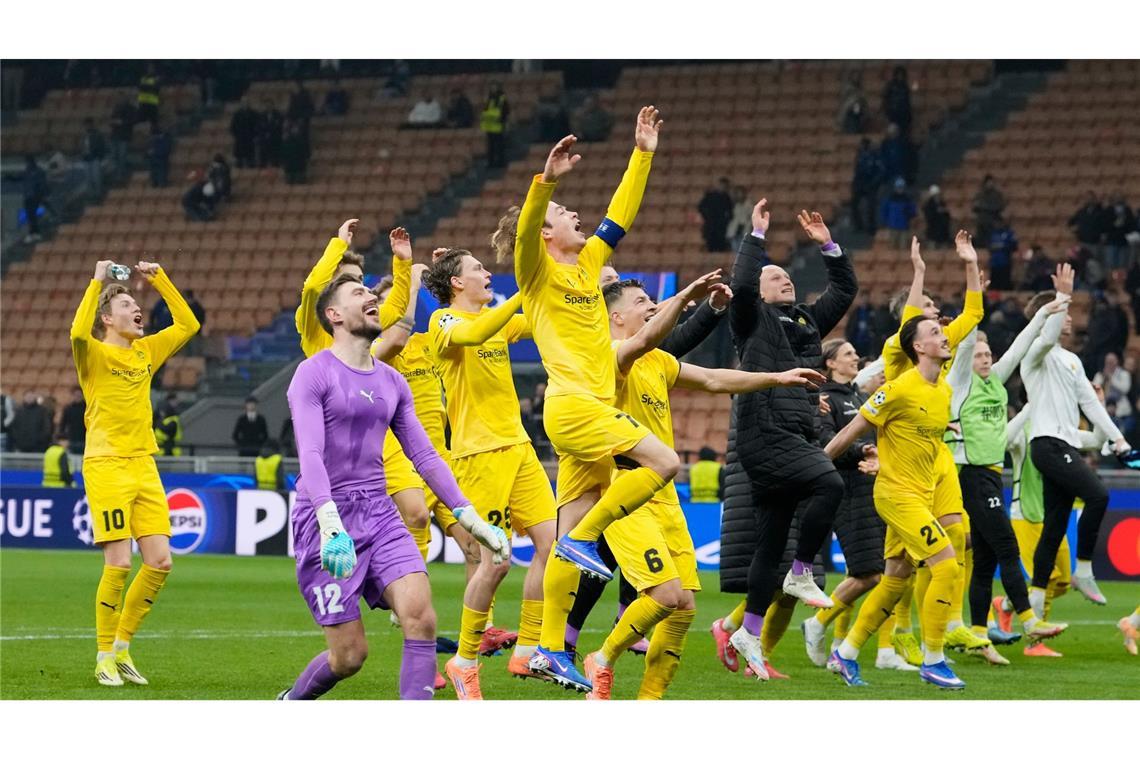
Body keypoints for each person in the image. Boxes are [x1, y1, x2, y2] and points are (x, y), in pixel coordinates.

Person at [490, 108, 672, 691]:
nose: (578, 219)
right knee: (663, 462)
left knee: (566, 538)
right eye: (567, 216)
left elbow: (621, 214)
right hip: (574, 407)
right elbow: (525, 232)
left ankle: (546, 648)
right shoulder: (536, 271)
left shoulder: (589, 263)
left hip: (587, 416)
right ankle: (587, 536)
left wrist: (642, 153)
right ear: (547, 231)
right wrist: (547, 183)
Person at [583, 278, 823, 698]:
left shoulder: (657, 360)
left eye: (654, 299)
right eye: (642, 301)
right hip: (624, 487)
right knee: (663, 596)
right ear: (616, 316)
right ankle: (601, 658)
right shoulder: (610, 355)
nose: (652, 306)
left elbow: (713, 378)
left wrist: (778, 378)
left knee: (684, 607)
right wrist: (689, 298)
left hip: (663, 494)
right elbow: (643, 342)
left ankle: (649, 700)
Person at [277, 273, 507, 701]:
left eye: (370, 293)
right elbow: (309, 454)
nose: (370, 298)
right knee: (349, 656)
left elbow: (425, 456)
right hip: (325, 517)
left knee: (421, 618)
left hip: (380, 513)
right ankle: (292, 703)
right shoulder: (312, 373)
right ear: (334, 315)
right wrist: (329, 522)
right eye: (358, 294)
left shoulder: (391, 381)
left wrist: (469, 516)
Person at [720, 200, 857, 680]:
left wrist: (828, 246)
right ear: (758, 289)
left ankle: (748, 632)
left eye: (788, 276)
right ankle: (802, 572)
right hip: (764, 433)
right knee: (830, 484)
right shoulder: (750, 320)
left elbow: (845, 289)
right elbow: (739, 286)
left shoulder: (804, 322)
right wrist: (756, 238)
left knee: (770, 540)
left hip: (791, 431)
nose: (786, 281)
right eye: (775, 277)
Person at [422, 248, 556, 697]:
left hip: (519, 449)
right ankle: (464, 660)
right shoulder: (443, 322)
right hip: (479, 455)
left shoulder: (493, 320)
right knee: (495, 562)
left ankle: (528, 648)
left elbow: (539, 319)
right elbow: (479, 329)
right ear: (457, 284)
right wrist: (521, 296)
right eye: (478, 268)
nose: (487, 272)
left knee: (552, 546)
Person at [72, 258, 200, 686]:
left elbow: (188, 326)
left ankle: (124, 648)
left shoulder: (146, 352)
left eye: (135, 302)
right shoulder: (93, 353)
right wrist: (98, 280)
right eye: (127, 303)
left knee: (160, 562)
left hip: (144, 463)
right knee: (120, 562)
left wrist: (159, 278)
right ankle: (103, 655)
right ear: (107, 318)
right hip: (105, 464)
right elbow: (76, 332)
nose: (136, 308)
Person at [823, 314, 966, 689]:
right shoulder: (898, 388)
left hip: (921, 495)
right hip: (896, 496)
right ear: (918, 347)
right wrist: (816, 467)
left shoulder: (943, 392)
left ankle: (846, 653)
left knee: (895, 580)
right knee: (947, 567)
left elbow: (918, 438)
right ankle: (934, 659)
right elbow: (850, 432)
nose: (944, 336)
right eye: (935, 332)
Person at [945, 280, 1074, 665]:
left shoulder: (996, 383)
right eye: (980, 354)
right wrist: (973, 294)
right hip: (968, 473)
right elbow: (966, 345)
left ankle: (981, 638)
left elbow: (1019, 347)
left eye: (988, 354)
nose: (985, 358)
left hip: (989, 474)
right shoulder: (961, 383)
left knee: (983, 561)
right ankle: (1029, 618)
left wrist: (1041, 314)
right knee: (1007, 546)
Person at [875, 234, 987, 658]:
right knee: (901, 562)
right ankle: (892, 633)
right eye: (930, 317)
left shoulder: (940, 345)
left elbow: (974, 312)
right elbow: (909, 319)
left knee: (956, 534)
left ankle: (949, 625)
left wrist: (970, 263)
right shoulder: (897, 351)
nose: (939, 320)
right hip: (902, 461)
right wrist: (919, 272)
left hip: (937, 454)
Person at [801, 339, 916, 672]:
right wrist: (861, 454)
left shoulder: (860, 397)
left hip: (874, 487)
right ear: (831, 364)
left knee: (879, 570)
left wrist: (878, 457)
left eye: (855, 353)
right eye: (848, 354)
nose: (855, 358)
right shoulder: (826, 402)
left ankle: (849, 641)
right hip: (847, 489)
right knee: (871, 574)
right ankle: (819, 623)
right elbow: (825, 442)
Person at [1019, 280, 1131, 613]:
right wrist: (1063, 296)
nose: (1070, 318)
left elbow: (1091, 403)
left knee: (1055, 525)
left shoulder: (1071, 360)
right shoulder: (1034, 355)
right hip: (1047, 444)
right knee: (1098, 495)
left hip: (1066, 444)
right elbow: (1048, 335)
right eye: (1063, 312)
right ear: (1048, 315)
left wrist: (1117, 437)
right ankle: (1083, 570)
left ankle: (1036, 602)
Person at [1000, 401, 1106, 656]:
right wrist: (1031, 407)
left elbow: (1095, 440)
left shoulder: (1061, 432)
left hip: (1051, 519)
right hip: (1024, 514)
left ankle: (1006, 604)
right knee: (1048, 577)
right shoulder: (1025, 430)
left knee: (1063, 583)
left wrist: (1099, 406)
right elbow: (1003, 440)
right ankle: (1034, 643)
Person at [1093, 352, 1133, 432]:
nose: (1109, 364)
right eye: (1108, 362)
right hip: (1103, 411)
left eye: (1112, 361)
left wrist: (1112, 380)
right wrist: (1104, 379)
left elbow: (1125, 389)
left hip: (1121, 413)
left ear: (1117, 362)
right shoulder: (1099, 375)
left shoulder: (1124, 374)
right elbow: (1094, 390)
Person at [850, 138, 882, 235]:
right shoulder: (859, 156)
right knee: (854, 204)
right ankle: (858, 226)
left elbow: (879, 171)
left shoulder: (874, 156)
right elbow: (857, 170)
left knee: (871, 206)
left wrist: (873, 183)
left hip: (870, 184)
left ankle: (871, 227)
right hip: (860, 183)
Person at [698, 177, 734, 252]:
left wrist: (726, 220)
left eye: (725, 186)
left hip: (722, 226)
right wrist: (706, 216)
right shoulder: (710, 195)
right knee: (710, 246)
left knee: (721, 247)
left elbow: (730, 211)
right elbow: (701, 206)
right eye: (722, 185)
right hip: (710, 225)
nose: (723, 188)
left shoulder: (727, 198)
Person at [879, 177, 916, 249]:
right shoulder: (889, 199)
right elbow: (884, 211)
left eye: (901, 187)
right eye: (898, 187)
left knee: (903, 247)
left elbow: (913, 211)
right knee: (892, 246)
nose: (900, 189)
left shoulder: (907, 200)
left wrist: (908, 213)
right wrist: (885, 221)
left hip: (904, 226)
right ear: (895, 188)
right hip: (893, 226)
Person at [481, 81, 509, 168]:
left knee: (500, 146)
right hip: (489, 127)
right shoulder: (489, 99)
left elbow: (505, 112)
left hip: (498, 126)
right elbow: (485, 111)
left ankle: (500, 163)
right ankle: (491, 163)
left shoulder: (502, 99)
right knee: (491, 147)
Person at [972, 175, 1006, 245]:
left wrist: (987, 208)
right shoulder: (980, 194)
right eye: (988, 182)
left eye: (991, 182)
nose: (990, 184)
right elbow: (974, 206)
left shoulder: (997, 195)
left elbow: (1000, 206)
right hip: (982, 219)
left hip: (993, 218)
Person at [22, 155, 49, 243]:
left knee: (32, 216)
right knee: (30, 216)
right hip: (28, 196)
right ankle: (35, 233)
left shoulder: (39, 171)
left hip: (34, 196)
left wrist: (42, 195)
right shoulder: (27, 171)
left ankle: (33, 233)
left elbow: (42, 184)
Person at [108, 97, 135, 182]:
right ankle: (115, 174)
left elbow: (131, 121)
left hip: (124, 136)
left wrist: (121, 122)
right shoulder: (116, 108)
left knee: (122, 156)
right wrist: (114, 122)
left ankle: (120, 175)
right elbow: (112, 120)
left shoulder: (131, 109)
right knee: (114, 156)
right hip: (115, 135)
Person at [988, 215, 1018, 290]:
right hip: (994, 262)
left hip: (1005, 262)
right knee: (994, 284)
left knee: (1004, 283)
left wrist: (1002, 246)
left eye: (998, 223)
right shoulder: (992, 234)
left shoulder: (1009, 233)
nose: (997, 225)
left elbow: (1014, 246)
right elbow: (989, 246)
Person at [881, 65, 912, 135]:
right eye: (898, 74)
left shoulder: (905, 86)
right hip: (893, 113)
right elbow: (885, 98)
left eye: (901, 75)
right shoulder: (890, 85)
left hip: (904, 114)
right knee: (893, 132)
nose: (900, 76)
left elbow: (907, 101)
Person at [81, 118, 107, 199]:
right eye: (85, 125)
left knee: (96, 178)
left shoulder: (98, 134)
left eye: (88, 125)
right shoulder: (84, 135)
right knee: (88, 178)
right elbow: (82, 146)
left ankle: (98, 194)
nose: (86, 127)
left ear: (91, 125)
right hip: (86, 159)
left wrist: (99, 156)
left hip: (95, 158)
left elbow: (101, 146)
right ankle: (90, 195)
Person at [230, 98, 260, 168]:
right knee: (239, 160)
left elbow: (258, 127)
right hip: (240, 140)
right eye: (243, 102)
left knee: (251, 159)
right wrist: (237, 136)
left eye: (246, 102)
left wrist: (255, 136)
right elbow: (232, 127)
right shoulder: (237, 115)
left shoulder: (254, 114)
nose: (245, 104)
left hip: (250, 139)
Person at [257, 97, 284, 168]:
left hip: (275, 141)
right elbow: (260, 127)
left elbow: (279, 127)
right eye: (267, 105)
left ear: (273, 105)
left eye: (270, 105)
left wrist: (270, 131)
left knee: (276, 161)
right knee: (263, 162)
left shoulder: (278, 115)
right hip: (264, 142)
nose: (269, 106)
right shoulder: (261, 116)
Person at [60, 386, 87, 454]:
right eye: (76, 395)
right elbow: (63, 424)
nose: (77, 397)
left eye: (79, 395)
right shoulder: (68, 409)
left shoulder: (87, 408)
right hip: (72, 439)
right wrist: (63, 437)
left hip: (85, 439)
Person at [726, 185, 753, 251]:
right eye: (737, 193)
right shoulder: (734, 205)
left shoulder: (749, 204)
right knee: (735, 249)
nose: (739, 195)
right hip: (735, 230)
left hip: (746, 228)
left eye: (741, 193)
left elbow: (752, 218)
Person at [147, 124, 172, 188]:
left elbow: (166, 150)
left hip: (162, 158)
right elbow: (148, 149)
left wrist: (154, 152)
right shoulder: (152, 140)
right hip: (153, 159)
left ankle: (162, 183)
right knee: (153, 171)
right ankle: (155, 182)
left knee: (161, 170)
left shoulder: (165, 139)